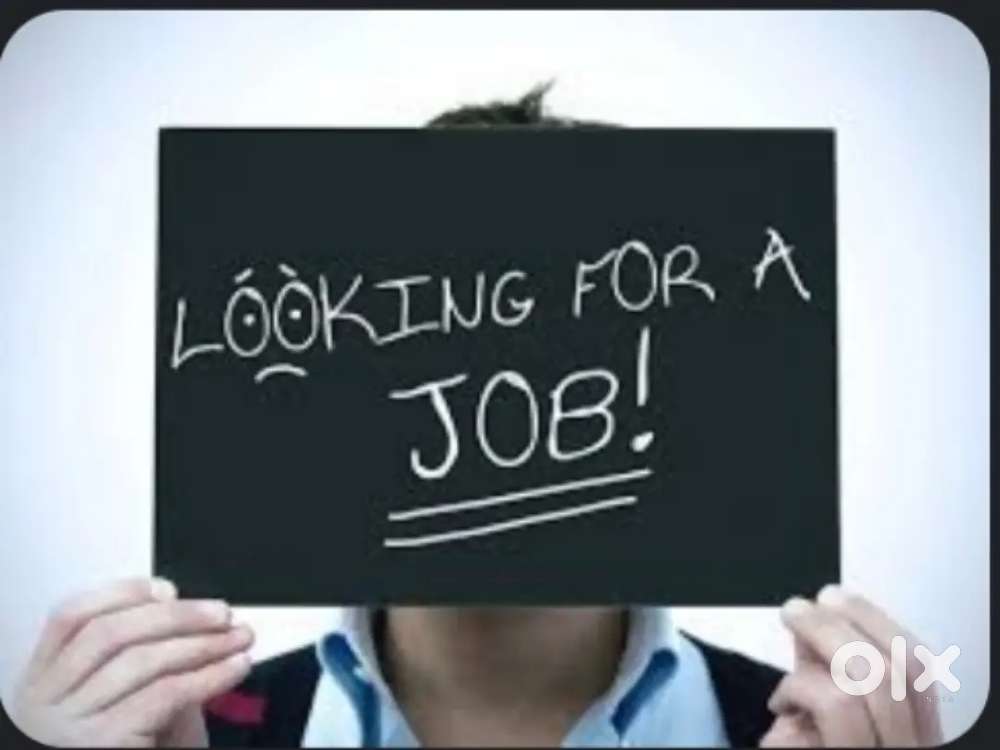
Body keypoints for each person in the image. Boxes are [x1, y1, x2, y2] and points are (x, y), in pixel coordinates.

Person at [8, 86, 943, 748]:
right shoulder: (185, 732)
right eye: (448, 309)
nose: (504, 365)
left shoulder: (810, 730)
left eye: (573, 309)